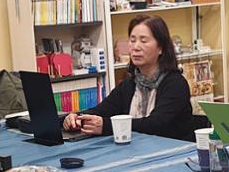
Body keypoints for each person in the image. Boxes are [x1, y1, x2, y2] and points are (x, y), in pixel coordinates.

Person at [63, 15, 193, 141]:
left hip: (172, 151)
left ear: (161, 48)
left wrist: (107, 126)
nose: (136, 47)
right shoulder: (130, 84)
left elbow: (155, 124)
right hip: (136, 149)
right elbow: (102, 110)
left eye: (143, 41)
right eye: (132, 40)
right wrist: (76, 117)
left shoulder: (175, 84)